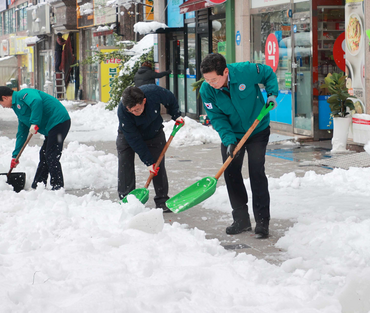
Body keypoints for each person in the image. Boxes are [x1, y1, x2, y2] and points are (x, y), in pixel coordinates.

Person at [199, 53, 278, 239]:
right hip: (233, 134)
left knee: (256, 172)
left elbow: (267, 73)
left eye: (213, 79)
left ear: (225, 72)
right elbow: (217, 118)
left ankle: (262, 222)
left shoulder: (244, 71)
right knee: (231, 173)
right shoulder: (207, 90)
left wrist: (272, 94)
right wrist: (229, 140)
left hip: (257, 129)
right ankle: (241, 220)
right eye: (207, 79)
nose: (210, 83)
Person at [117, 85, 184, 212]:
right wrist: (147, 161)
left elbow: (170, 99)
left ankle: (162, 200)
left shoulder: (154, 93)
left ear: (144, 101)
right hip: (128, 135)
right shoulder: (123, 110)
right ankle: (126, 200)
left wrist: (176, 115)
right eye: (131, 111)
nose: (135, 113)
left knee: (158, 166)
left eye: (137, 109)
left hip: (154, 132)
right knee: (125, 164)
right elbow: (134, 139)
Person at [0, 86, 71, 190]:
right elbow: (22, 132)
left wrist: (34, 122)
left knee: (51, 155)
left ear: (5, 98)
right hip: (51, 127)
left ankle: (57, 186)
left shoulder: (23, 94)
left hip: (59, 121)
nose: (3, 106)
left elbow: (36, 101)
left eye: (1, 103)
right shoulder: (17, 108)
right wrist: (15, 155)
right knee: (44, 154)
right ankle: (38, 184)